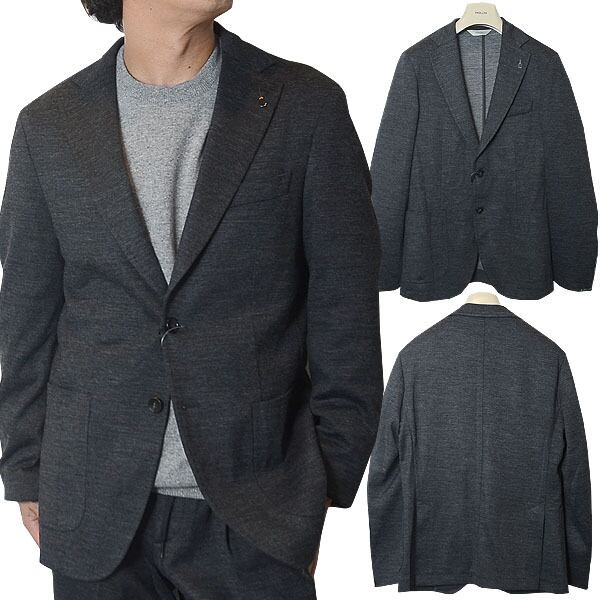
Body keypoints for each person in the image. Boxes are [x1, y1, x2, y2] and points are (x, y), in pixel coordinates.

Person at [0, 1, 383, 598]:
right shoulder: (49, 125)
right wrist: (25, 468)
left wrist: (323, 481)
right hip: (95, 511)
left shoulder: (306, 107)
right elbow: (26, 316)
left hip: (259, 514)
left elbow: (346, 308)